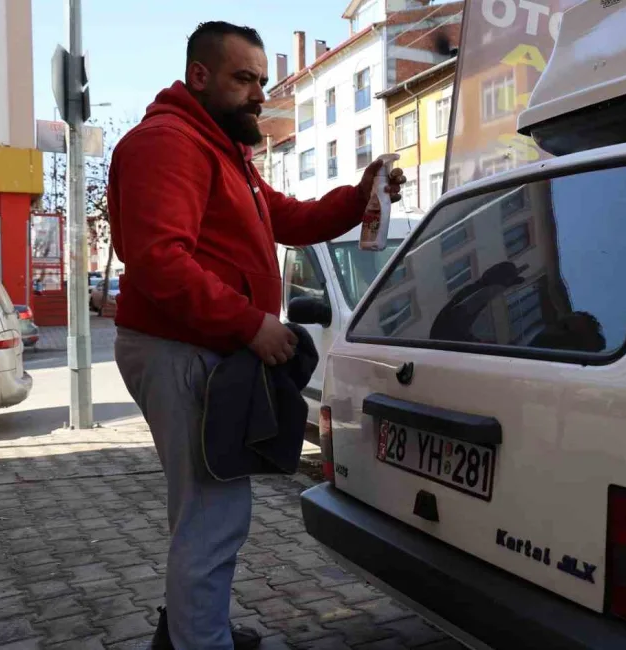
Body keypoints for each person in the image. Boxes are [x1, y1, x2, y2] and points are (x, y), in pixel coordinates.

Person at [107, 21, 405, 650]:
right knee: (214, 515)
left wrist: (360, 196)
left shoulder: (222, 148)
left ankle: (188, 632)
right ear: (200, 76)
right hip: (179, 349)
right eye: (244, 79)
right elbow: (159, 260)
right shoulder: (168, 143)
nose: (258, 95)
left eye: (262, 81)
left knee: (202, 512)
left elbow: (289, 218)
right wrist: (251, 325)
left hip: (199, 347)